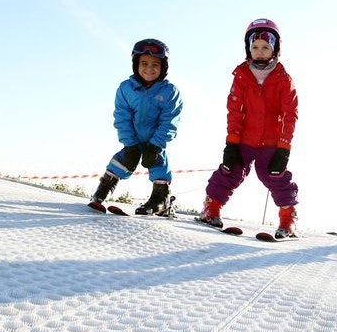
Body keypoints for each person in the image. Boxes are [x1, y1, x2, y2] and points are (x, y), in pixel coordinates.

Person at [199, 18, 300, 237]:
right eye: (255, 47)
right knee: (231, 170)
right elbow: (234, 109)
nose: (260, 52)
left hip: (272, 141)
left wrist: (284, 147)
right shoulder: (242, 75)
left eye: (265, 47)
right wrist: (231, 142)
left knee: (274, 176)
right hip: (244, 138)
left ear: (275, 49)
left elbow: (290, 114)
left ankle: (287, 217)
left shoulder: (283, 79)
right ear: (248, 49)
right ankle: (211, 207)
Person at [89, 38, 183, 215]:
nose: (149, 69)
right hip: (133, 138)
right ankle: (102, 192)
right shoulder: (126, 89)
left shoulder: (170, 92)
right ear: (136, 64)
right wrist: (129, 143)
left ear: (164, 67)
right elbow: (122, 117)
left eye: (155, 64)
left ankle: (160, 199)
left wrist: (156, 145)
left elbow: (169, 121)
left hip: (155, 141)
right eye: (144, 63)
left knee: (158, 164)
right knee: (121, 160)